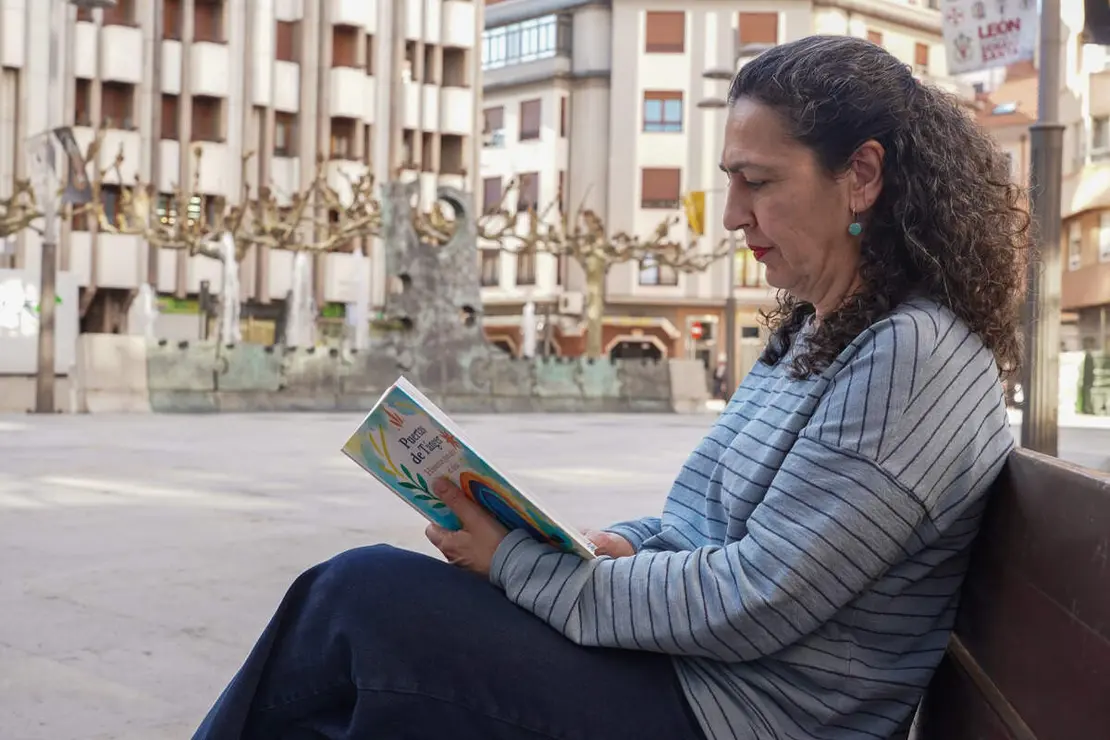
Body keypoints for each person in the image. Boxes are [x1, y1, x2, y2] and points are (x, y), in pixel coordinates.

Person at [192, 35, 1029, 740]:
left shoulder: (910, 357)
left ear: (864, 175)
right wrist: (610, 545)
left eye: (759, 181)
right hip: (697, 682)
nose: (732, 213)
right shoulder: (818, 329)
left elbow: (758, 600)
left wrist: (518, 566)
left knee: (358, 599)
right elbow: (703, 529)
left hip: (742, 716)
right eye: (730, 180)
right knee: (353, 624)